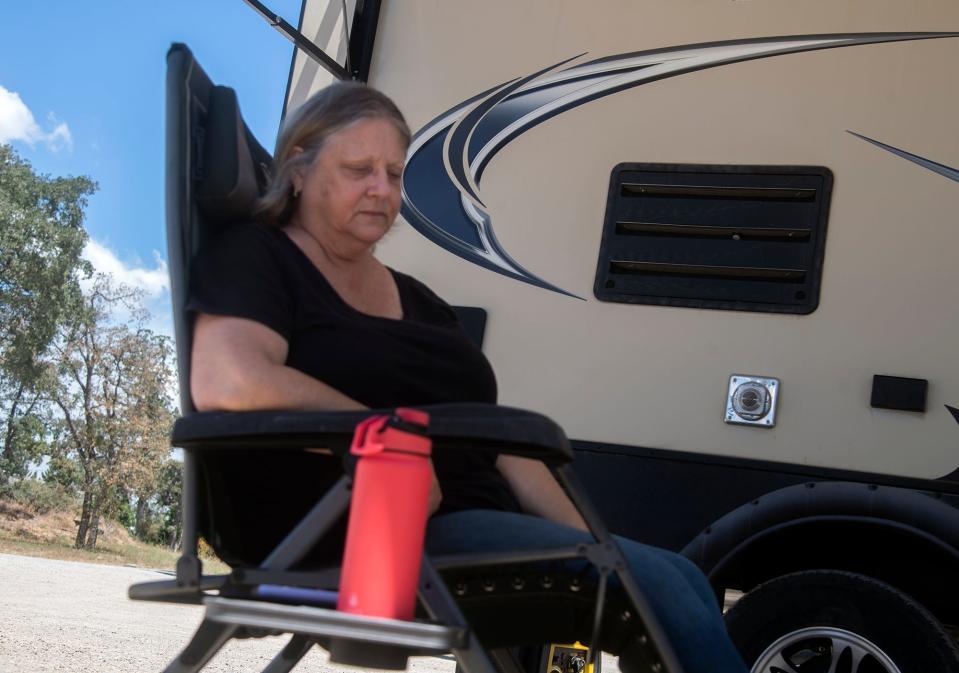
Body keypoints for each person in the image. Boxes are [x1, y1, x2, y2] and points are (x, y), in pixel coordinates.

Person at [187, 81, 747, 673]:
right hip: (365, 533)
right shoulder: (259, 257)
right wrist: (387, 439)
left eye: (395, 173)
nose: (382, 189)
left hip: (470, 522)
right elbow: (231, 382)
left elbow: (496, 441)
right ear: (297, 169)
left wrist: (598, 548)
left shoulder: (419, 301)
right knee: (659, 587)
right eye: (359, 169)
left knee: (680, 577)